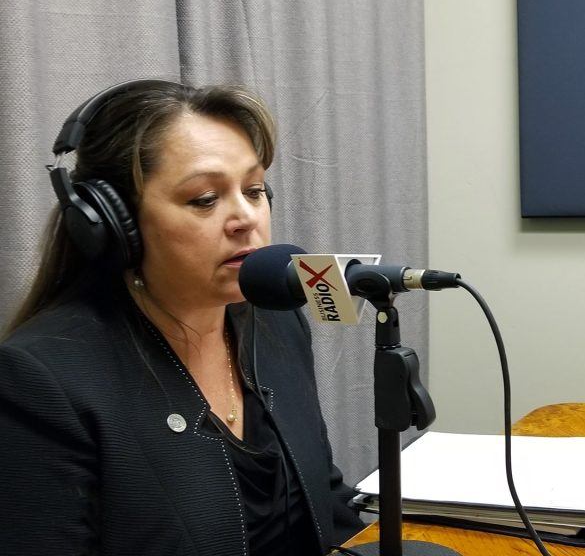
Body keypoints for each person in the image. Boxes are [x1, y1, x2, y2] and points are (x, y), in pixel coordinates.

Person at [0, 80, 366, 554]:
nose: (245, 218)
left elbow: (325, 500)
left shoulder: (275, 322)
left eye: (254, 190)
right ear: (113, 224)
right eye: (205, 199)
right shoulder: (42, 381)